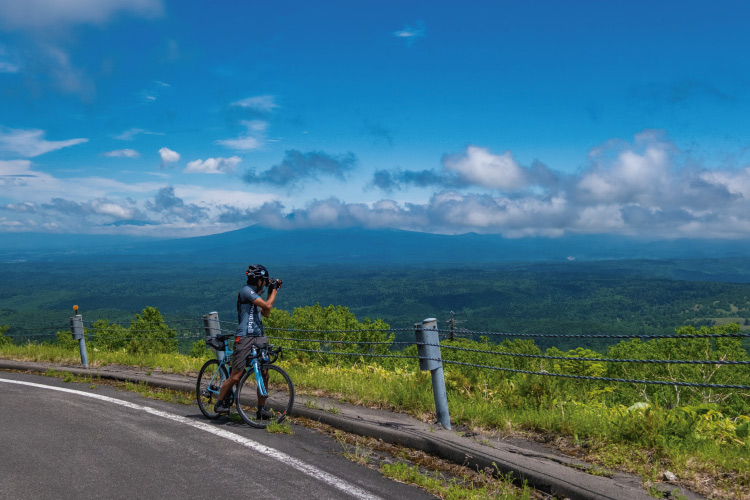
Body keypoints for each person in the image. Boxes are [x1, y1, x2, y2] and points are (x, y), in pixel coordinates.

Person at [214, 264, 282, 417]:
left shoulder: (256, 293)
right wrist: (275, 290)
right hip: (244, 337)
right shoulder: (246, 291)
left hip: (258, 336)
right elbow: (268, 305)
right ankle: (218, 402)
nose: (265, 283)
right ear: (258, 280)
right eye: (264, 280)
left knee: (264, 372)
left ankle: (261, 409)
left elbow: (266, 313)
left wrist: (270, 290)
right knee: (236, 376)